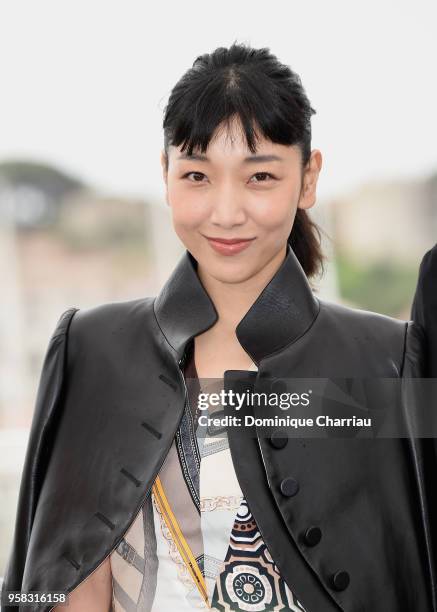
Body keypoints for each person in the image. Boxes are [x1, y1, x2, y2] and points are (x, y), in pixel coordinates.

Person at [1, 42, 434, 612]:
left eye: (259, 177)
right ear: (165, 174)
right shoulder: (93, 349)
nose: (226, 212)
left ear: (308, 179)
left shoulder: (387, 359)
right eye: (198, 175)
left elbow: (398, 566)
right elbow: (61, 571)